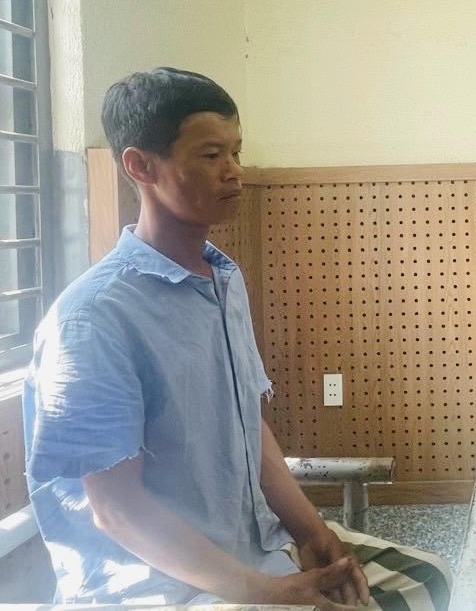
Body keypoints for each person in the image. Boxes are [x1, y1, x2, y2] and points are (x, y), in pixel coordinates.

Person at [23, 67, 451, 607]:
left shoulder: (221, 279)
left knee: (426, 578)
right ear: (140, 166)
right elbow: (117, 511)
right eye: (211, 155)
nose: (234, 172)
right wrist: (269, 591)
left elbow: (249, 424)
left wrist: (314, 533)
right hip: (154, 584)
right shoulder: (92, 320)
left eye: (236, 152)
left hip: (253, 547)